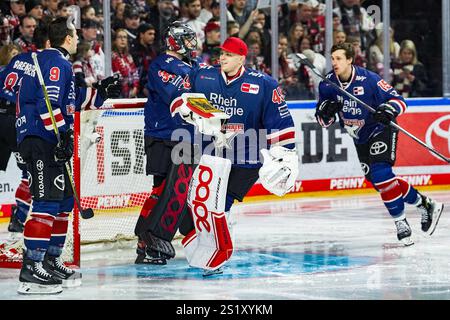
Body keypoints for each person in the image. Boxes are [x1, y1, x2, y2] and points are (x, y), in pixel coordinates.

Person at [169, 36, 299, 275]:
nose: (223, 58)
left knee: (219, 204)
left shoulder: (263, 84)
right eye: (221, 53)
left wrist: (285, 154)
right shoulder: (204, 76)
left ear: (241, 58)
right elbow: (178, 100)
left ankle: (217, 256)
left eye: (229, 55)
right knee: (192, 210)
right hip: (211, 156)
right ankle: (206, 249)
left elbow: (280, 122)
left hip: (246, 159)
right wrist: (191, 112)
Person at [15, 17, 120, 295]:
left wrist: (101, 93)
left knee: (63, 202)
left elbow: (70, 100)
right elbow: (46, 103)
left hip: (48, 138)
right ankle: (31, 267)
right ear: (68, 38)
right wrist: (61, 135)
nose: (76, 39)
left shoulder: (58, 63)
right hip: (41, 139)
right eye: (74, 34)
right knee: (47, 202)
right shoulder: (56, 61)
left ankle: (50, 259)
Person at [315, 43, 444, 246]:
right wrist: (325, 112)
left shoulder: (369, 79)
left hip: (380, 130)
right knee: (379, 183)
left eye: (339, 58)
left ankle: (401, 224)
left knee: (382, 175)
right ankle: (424, 204)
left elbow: (399, 100)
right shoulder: (327, 84)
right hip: (359, 137)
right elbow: (323, 121)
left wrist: (388, 110)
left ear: (350, 59)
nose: (334, 63)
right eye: (332, 58)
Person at [133, 21, 199, 265]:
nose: (193, 44)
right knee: (173, 188)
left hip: (185, 135)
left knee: (167, 189)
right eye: (188, 39)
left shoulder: (193, 65)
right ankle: (155, 240)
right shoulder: (162, 64)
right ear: (175, 41)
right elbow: (180, 93)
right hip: (165, 135)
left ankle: (146, 238)